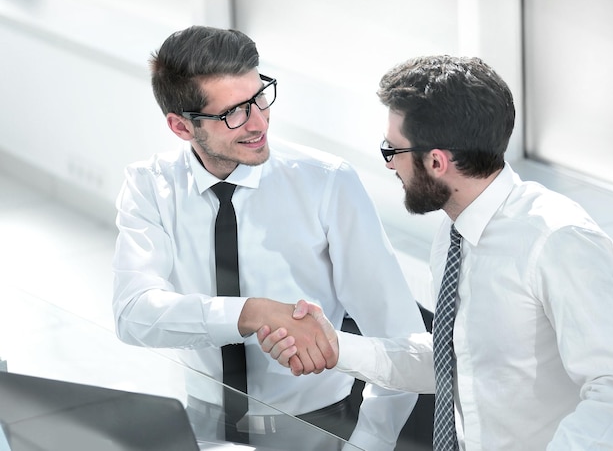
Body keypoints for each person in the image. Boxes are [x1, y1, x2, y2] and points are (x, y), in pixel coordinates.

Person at [257, 55, 613, 450]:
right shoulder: (456, 229)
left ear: (436, 161)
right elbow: (454, 357)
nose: (389, 165)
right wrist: (333, 344)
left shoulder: (557, 239)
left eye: (391, 150)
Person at [111, 25, 426, 451]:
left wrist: (369, 442)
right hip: (201, 425)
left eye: (260, 96)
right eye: (234, 113)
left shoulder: (327, 182)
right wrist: (252, 313)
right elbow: (133, 314)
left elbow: (403, 342)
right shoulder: (150, 184)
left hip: (320, 428)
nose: (259, 122)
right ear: (182, 127)